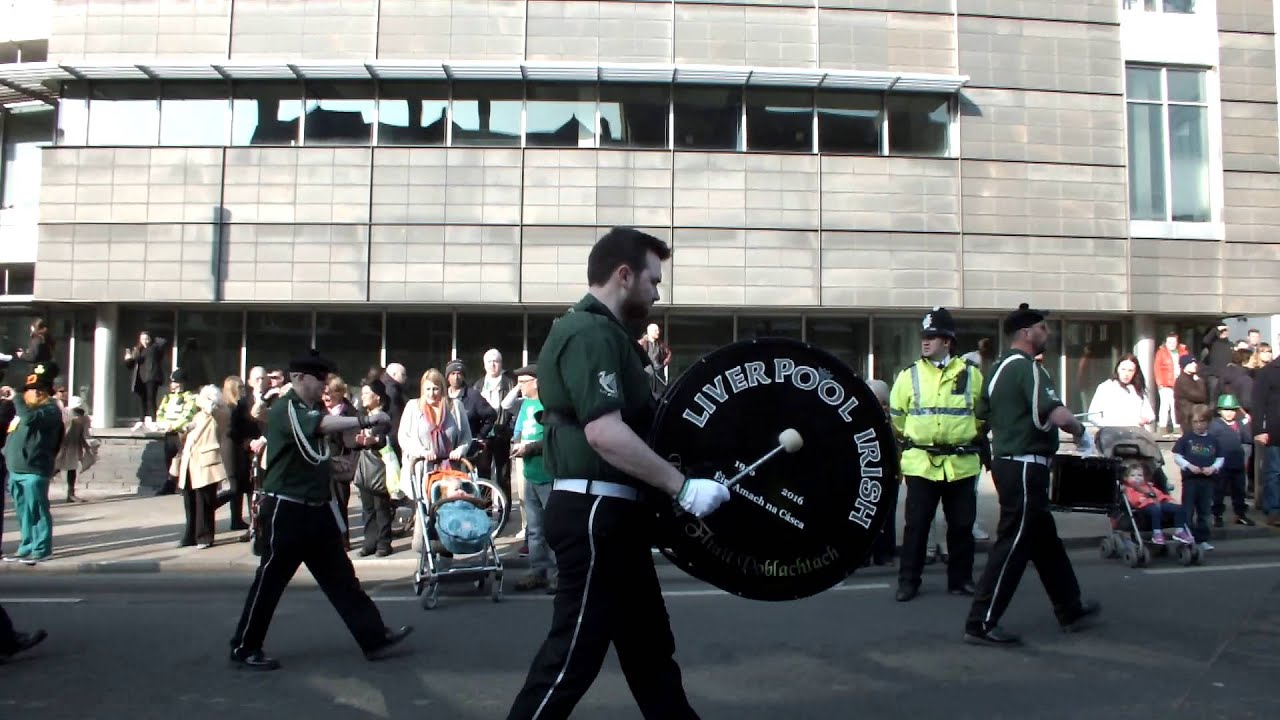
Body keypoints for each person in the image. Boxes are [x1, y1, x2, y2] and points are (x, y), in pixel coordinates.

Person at [505, 227, 729, 720]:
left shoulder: (610, 336)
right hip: (595, 512)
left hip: (613, 515)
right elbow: (604, 433)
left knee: (650, 651)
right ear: (623, 276)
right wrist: (683, 488)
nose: (657, 292)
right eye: (653, 280)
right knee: (571, 659)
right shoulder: (589, 333)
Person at [228, 350, 413, 671]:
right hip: (286, 510)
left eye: (326, 379)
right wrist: (366, 418)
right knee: (270, 582)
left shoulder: (307, 407)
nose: (324, 386)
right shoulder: (288, 408)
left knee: (343, 579)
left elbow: (316, 455)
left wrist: (341, 462)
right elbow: (321, 426)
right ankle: (245, 646)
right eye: (319, 379)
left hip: (314, 510)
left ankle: (373, 637)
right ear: (299, 378)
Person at [964, 303, 1100, 646]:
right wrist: (1081, 430)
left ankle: (1070, 607)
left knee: (1045, 542)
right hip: (1026, 465)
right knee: (1012, 544)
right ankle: (981, 621)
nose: (1047, 334)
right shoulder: (1029, 369)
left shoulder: (995, 369)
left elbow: (982, 411)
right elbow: (1056, 414)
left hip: (1008, 461)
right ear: (1026, 333)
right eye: (1043, 328)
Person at [890, 306, 986, 602]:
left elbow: (982, 415)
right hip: (921, 463)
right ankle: (909, 581)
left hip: (961, 463)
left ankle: (960, 579)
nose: (926, 341)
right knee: (916, 527)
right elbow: (897, 417)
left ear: (948, 341)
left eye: (933, 336)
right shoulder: (908, 376)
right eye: (924, 336)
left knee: (961, 527)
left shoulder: (971, 375)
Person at [1, 361, 64, 566]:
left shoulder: (50, 410)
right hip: (16, 468)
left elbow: (29, 420)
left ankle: (41, 548)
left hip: (34, 469)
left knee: (36, 509)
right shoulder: (23, 410)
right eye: (30, 390)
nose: (34, 393)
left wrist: (17, 398)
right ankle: (27, 544)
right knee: (22, 512)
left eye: (39, 390)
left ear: (47, 392)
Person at [509, 364, 556, 592]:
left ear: (536, 382)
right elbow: (518, 432)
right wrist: (516, 444)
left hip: (548, 475)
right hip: (529, 475)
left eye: (523, 382)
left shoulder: (548, 404)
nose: (519, 387)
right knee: (535, 529)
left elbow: (553, 438)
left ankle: (559, 574)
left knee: (554, 527)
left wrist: (530, 449)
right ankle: (538, 572)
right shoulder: (526, 405)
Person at [1173, 404, 1223, 551]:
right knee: (1187, 509)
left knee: (1205, 511)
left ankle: (1202, 539)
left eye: (1202, 421)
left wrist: (1213, 468)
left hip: (1207, 481)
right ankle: (1187, 536)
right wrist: (1188, 466)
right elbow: (1177, 456)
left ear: (1208, 422)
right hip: (1190, 480)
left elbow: (1220, 458)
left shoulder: (1213, 440)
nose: (1199, 425)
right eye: (1195, 422)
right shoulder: (1186, 439)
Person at [1121, 460, 1194, 546]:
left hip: (1157, 504)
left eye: (1140, 475)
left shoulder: (1149, 487)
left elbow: (1160, 495)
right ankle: (1157, 533)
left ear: (1144, 477)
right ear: (1126, 478)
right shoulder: (1129, 489)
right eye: (1133, 476)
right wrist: (1140, 499)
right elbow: (1132, 499)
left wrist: (1168, 499)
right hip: (1143, 507)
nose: (1137, 477)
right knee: (1155, 509)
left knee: (1179, 508)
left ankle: (1180, 531)